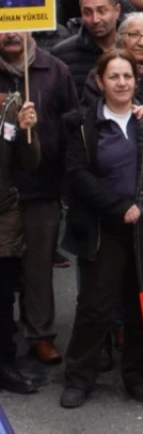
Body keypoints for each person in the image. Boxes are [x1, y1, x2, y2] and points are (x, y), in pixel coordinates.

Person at [59, 52, 143, 408]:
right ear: (100, 82)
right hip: (104, 229)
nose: (121, 83)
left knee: (140, 308)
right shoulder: (83, 125)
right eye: (113, 76)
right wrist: (119, 207)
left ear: (136, 80)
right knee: (95, 309)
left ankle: (136, 376)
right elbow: (78, 175)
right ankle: (78, 378)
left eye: (127, 76)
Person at [0, 33, 76, 367]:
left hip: (42, 186)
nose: (9, 34)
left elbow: (71, 125)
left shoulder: (55, 69)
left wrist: (67, 182)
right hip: (2, 188)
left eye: (15, 26)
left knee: (39, 269)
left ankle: (40, 334)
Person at [0, 95, 39, 394]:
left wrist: (28, 133)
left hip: (3, 217)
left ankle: (4, 365)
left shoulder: (8, 106)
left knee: (2, 298)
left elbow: (29, 163)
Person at [54, 0, 121, 100]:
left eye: (102, 11)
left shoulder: (133, 47)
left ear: (117, 10)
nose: (95, 19)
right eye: (87, 13)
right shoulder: (62, 54)